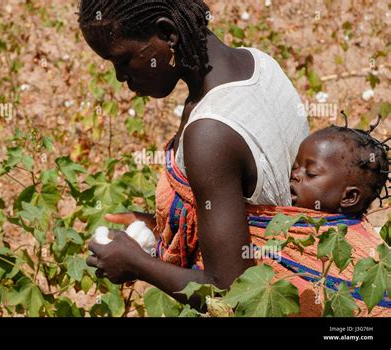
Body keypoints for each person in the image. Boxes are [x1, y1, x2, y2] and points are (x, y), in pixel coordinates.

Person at [79, 0, 308, 308]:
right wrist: (164, 225)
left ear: (167, 34)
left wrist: (137, 265)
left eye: (122, 60)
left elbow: (230, 295)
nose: (121, 77)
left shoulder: (210, 132)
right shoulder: (260, 62)